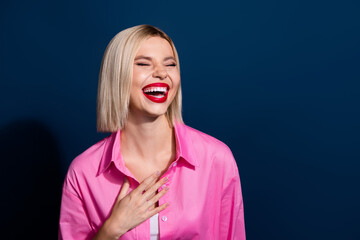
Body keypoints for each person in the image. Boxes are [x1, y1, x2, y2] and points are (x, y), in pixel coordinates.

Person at [58, 24, 246, 240]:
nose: (161, 73)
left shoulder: (217, 160)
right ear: (117, 75)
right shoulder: (83, 173)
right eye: (144, 63)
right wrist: (111, 230)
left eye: (170, 64)